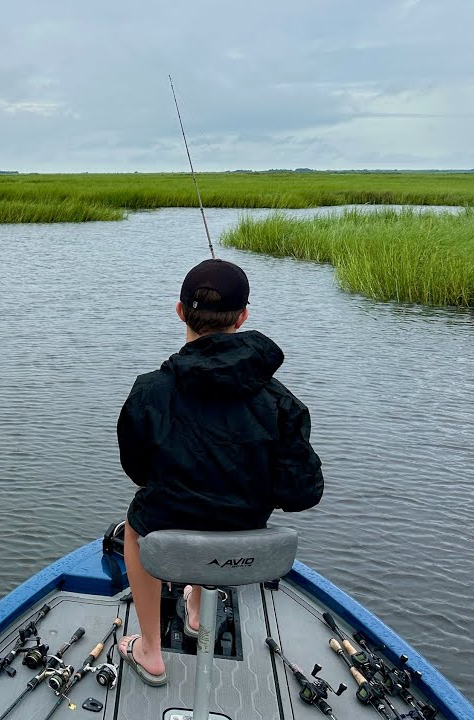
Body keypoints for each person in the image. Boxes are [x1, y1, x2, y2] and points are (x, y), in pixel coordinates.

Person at [115, 258, 324, 687]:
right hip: (246, 533)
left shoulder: (149, 390)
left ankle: (151, 651)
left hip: (169, 525)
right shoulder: (280, 400)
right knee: (215, 511)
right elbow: (303, 492)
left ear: (179, 311)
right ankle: (195, 608)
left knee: (136, 527)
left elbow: (138, 472)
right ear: (243, 317)